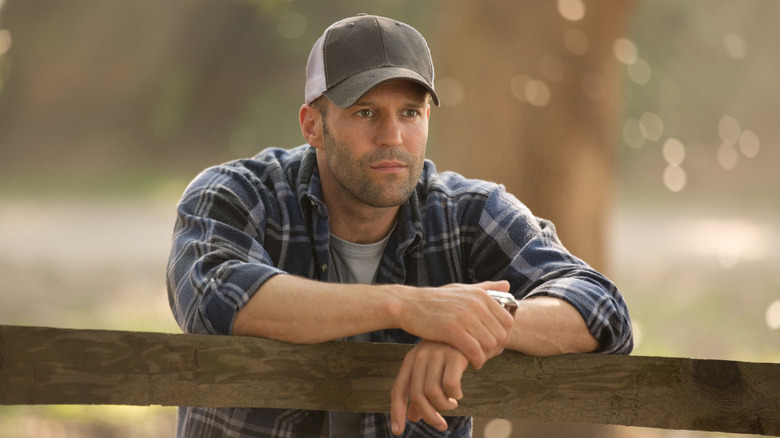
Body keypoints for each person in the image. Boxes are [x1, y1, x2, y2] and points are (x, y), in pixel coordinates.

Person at [167, 13, 633, 438]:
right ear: (312, 125)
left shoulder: (468, 212)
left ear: (427, 117)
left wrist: (473, 327)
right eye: (365, 112)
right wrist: (408, 307)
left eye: (409, 113)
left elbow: (601, 307)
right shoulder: (236, 194)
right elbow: (216, 296)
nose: (392, 137)